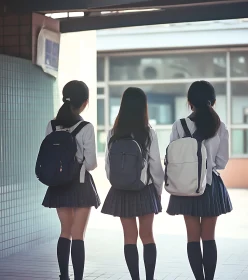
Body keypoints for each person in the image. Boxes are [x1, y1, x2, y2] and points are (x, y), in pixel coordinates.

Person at [166, 81, 232, 280]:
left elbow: (174, 158)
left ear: (190, 102)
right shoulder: (220, 126)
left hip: (186, 187)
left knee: (192, 237)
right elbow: (221, 162)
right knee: (209, 237)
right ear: (212, 101)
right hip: (210, 185)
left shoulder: (179, 125)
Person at [101, 87, 164, 280]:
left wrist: (118, 181)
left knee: (129, 238)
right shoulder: (148, 133)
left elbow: (107, 165)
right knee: (147, 236)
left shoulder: (114, 133)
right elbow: (156, 166)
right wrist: (158, 191)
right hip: (144, 190)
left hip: (121, 190)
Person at [42, 81, 101, 280]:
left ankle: (64, 276)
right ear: (85, 102)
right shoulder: (86, 127)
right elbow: (91, 162)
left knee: (65, 231)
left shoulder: (52, 125)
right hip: (81, 185)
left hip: (58, 185)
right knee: (78, 234)